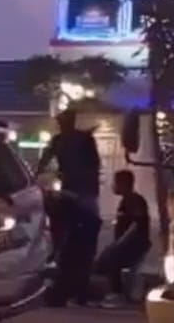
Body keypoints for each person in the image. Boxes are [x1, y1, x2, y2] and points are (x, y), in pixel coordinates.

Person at [94, 170, 152, 305]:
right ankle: (117, 292)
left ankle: (117, 294)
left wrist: (120, 243)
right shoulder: (125, 201)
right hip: (126, 244)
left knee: (110, 258)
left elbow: (137, 224)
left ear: (123, 183)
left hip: (135, 244)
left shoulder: (134, 200)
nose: (113, 186)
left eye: (116, 182)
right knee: (105, 260)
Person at [37, 108, 102, 216]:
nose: (61, 125)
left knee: (89, 216)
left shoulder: (85, 139)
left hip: (85, 188)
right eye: (60, 122)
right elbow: (46, 158)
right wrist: (38, 173)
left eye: (63, 122)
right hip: (69, 185)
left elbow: (95, 162)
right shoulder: (58, 140)